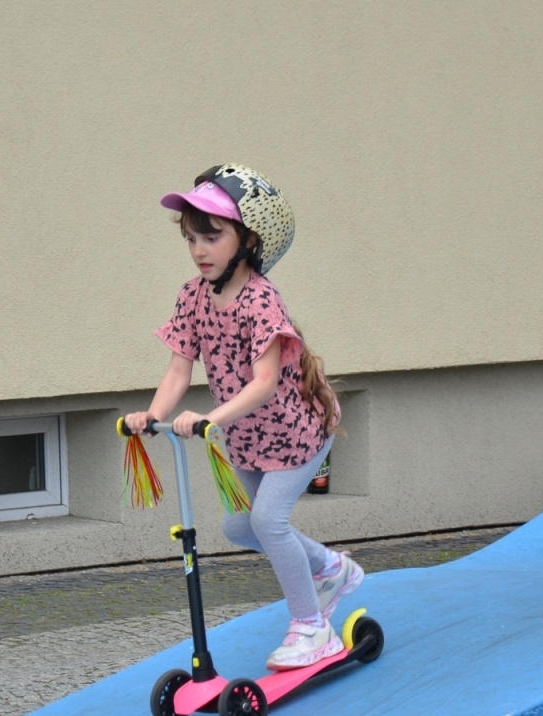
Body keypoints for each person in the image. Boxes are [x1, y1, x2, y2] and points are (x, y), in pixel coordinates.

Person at [123, 165, 364, 670]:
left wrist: (209, 416)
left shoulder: (260, 299)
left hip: (297, 432)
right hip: (247, 437)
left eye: (212, 236)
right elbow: (177, 369)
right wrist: (153, 415)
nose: (199, 250)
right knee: (239, 526)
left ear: (248, 240)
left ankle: (311, 627)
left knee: (268, 522)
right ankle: (331, 569)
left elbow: (265, 382)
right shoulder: (193, 296)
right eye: (191, 238)